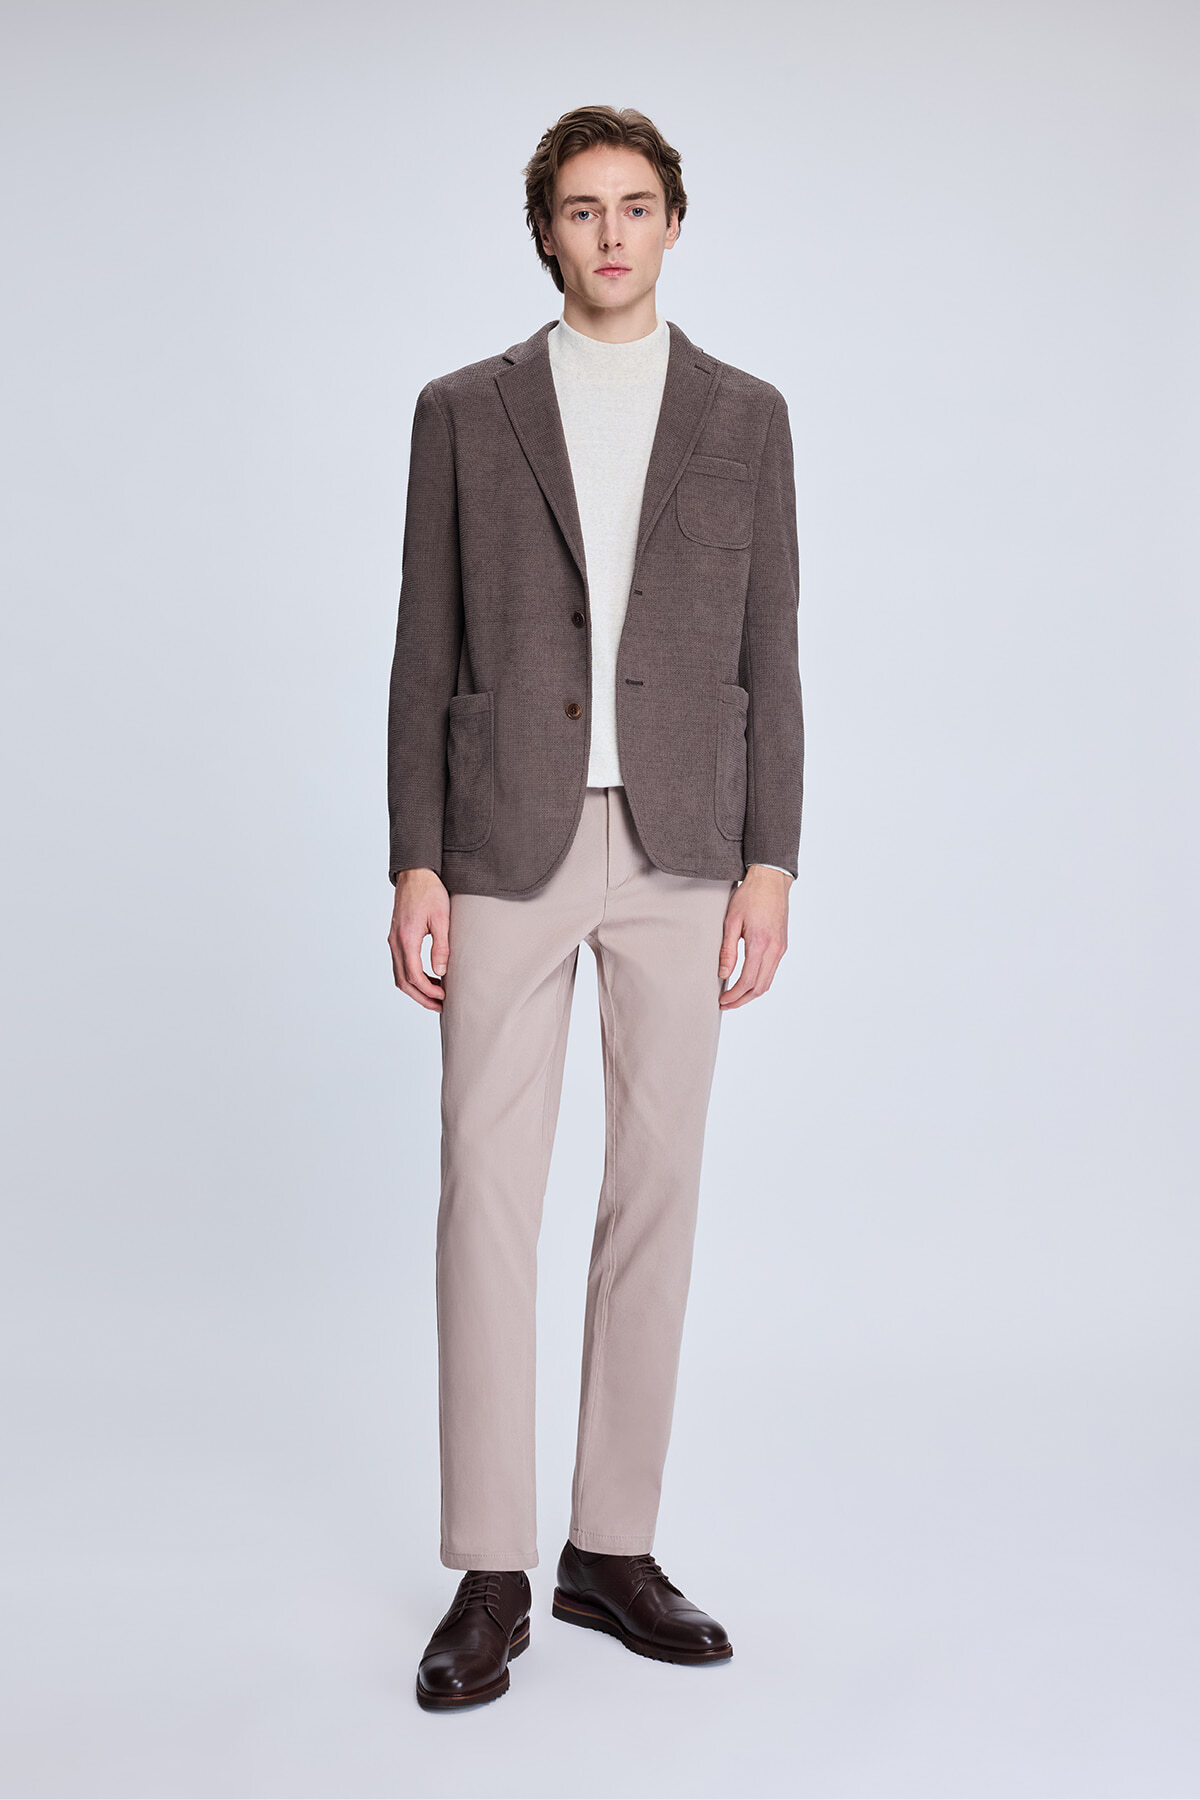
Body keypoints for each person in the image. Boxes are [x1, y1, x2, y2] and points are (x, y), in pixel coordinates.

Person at [386, 104, 804, 1711]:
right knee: (486, 1194)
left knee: (657, 1191)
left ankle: (609, 1548)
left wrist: (773, 860)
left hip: (688, 844)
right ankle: (491, 1568)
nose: (611, 232)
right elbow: (423, 646)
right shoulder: (463, 410)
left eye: (636, 205)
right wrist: (413, 856)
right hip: (503, 834)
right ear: (547, 231)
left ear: (674, 223)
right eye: (582, 208)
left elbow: (774, 650)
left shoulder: (747, 415)